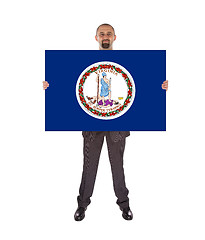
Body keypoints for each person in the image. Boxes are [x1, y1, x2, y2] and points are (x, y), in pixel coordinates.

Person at [43, 23, 168, 221]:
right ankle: (82, 205)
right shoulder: (83, 63)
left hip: (118, 123)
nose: (105, 36)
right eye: (102, 34)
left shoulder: (127, 63)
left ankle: (124, 205)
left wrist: (159, 86)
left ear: (115, 37)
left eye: (108, 33)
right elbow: (68, 85)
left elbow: (141, 85)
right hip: (91, 123)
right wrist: (51, 86)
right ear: (96, 38)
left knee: (117, 166)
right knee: (89, 165)